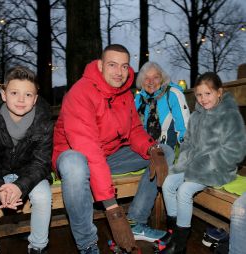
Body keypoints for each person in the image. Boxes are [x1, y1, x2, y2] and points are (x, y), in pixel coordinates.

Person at [52, 44, 175, 254]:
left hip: (108, 156)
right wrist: (113, 211)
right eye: (112, 65)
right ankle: (87, 245)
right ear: (100, 65)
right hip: (77, 157)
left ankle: (136, 222)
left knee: (164, 151)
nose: (119, 72)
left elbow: (135, 129)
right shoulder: (80, 93)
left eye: (124, 66)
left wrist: (151, 148)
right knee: (74, 164)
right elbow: (88, 150)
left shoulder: (125, 94)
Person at [159, 72, 246, 254]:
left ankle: (180, 245)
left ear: (219, 92)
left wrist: (203, 164)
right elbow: (188, 144)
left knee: (184, 190)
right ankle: (175, 234)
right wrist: (183, 163)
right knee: (168, 183)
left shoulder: (229, 116)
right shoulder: (196, 117)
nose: (203, 99)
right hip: (194, 164)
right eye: (199, 95)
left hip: (218, 168)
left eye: (208, 93)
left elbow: (235, 151)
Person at [0, 66, 53, 254]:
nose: (21, 100)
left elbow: (41, 162)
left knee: (43, 196)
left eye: (28, 95)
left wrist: (19, 186)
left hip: (29, 173)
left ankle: (38, 248)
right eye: (14, 92)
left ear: (35, 99)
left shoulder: (44, 122)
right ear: (4, 94)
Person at [135, 61, 190, 150]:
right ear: (141, 81)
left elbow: (184, 127)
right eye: (146, 78)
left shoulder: (172, 94)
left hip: (167, 149)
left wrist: (185, 152)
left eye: (155, 77)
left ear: (162, 79)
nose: (151, 82)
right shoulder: (138, 99)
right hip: (143, 149)